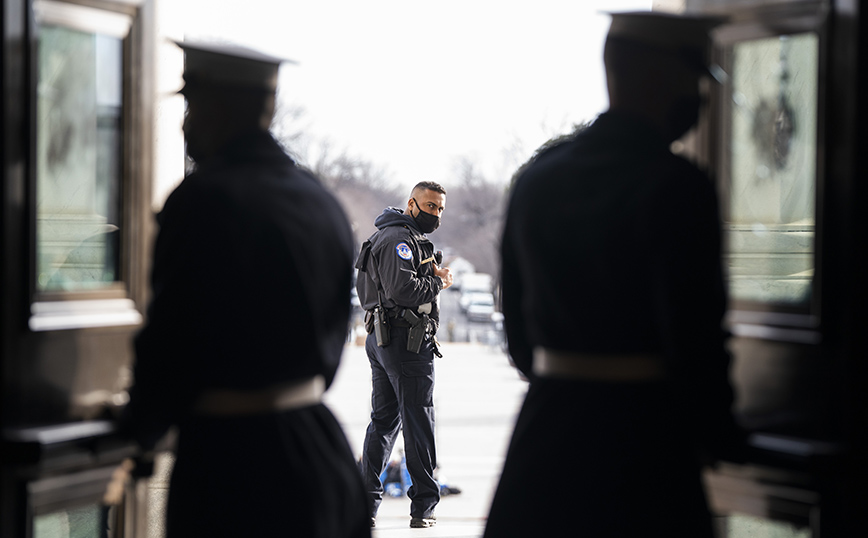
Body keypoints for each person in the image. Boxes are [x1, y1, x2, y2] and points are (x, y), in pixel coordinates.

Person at [484, 12, 746, 538]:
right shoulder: (677, 185)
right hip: (645, 446)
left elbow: (517, 331)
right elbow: (694, 336)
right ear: (660, 77)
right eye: (695, 80)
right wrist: (723, 436)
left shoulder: (538, 180)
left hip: (546, 437)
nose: (699, 97)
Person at [119, 41, 370, 538]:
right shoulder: (319, 201)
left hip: (234, 467)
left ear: (221, 108)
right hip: (321, 452)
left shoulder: (201, 200)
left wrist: (138, 428)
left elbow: (171, 341)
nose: (185, 124)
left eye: (193, 106)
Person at [355, 182, 453, 528]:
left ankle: (364, 503)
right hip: (405, 342)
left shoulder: (386, 234)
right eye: (430, 206)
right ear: (412, 204)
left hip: (383, 339)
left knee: (383, 421)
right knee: (418, 421)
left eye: (440, 209)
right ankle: (424, 506)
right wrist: (439, 282)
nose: (435, 214)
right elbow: (404, 289)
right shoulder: (400, 240)